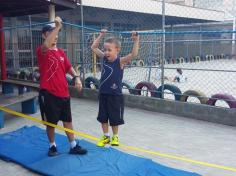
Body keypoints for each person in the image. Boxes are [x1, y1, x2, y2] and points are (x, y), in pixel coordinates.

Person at [36, 16, 87, 156]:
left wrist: (76, 77)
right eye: (51, 33)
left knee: (68, 120)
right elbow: (47, 45)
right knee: (51, 123)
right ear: (44, 35)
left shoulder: (61, 52)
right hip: (49, 93)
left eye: (56, 33)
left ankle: (73, 146)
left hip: (63, 93)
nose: (55, 36)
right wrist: (58, 26)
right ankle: (52, 146)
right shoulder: (42, 50)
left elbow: (69, 67)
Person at [91, 29, 139, 147]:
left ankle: (115, 137)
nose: (106, 52)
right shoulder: (103, 58)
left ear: (117, 50)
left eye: (109, 50)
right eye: (105, 49)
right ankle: (106, 136)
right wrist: (101, 35)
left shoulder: (120, 61)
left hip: (115, 96)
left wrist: (136, 40)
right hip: (103, 94)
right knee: (103, 117)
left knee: (114, 118)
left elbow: (133, 55)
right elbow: (93, 47)